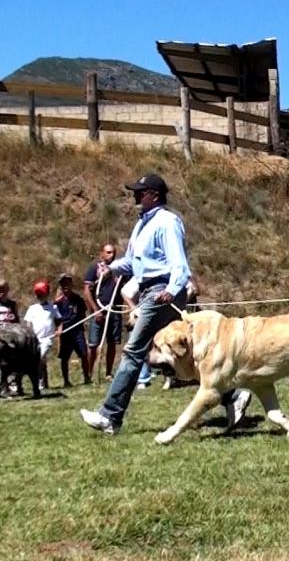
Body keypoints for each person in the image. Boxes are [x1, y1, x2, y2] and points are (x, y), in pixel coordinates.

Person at [80, 173, 251, 438]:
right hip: (151, 289)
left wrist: (171, 291)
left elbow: (179, 265)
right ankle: (233, 395)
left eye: (141, 191)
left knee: (133, 350)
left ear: (155, 196)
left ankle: (110, 416)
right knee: (186, 357)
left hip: (161, 292)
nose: (136, 195)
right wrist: (111, 269)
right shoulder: (141, 225)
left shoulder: (167, 223)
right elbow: (134, 263)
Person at [84, 243, 124, 382]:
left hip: (114, 309)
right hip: (99, 310)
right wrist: (96, 310)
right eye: (108, 252)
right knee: (93, 344)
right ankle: (88, 374)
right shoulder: (95, 268)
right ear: (102, 253)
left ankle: (108, 373)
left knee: (112, 343)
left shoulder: (120, 270)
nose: (111, 255)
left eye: (113, 252)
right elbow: (87, 291)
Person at [24, 281, 62, 390]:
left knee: (40, 358)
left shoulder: (53, 307)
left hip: (47, 339)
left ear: (47, 294)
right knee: (38, 361)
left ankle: (40, 383)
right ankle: (42, 382)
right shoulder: (32, 308)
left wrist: (59, 330)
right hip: (35, 339)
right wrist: (28, 333)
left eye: (42, 293)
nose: (40, 296)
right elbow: (28, 323)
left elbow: (59, 321)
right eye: (38, 294)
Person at [55, 274, 90, 387]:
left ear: (71, 284)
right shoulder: (58, 302)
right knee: (64, 357)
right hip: (65, 332)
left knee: (84, 354)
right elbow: (56, 318)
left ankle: (87, 378)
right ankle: (66, 381)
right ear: (61, 285)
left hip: (77, 331)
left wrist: (80, 320)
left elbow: (83, 313)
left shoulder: (78, 299)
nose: (66, 286)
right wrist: (59, 329)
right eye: (63, 284)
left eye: (68, 283)